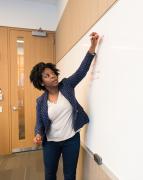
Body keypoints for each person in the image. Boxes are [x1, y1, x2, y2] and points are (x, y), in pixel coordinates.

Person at [29, 32, 99, 180]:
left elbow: (81, 71)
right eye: (47, 76)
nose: (53, 76)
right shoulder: (40, 102)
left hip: (71, 140)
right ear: (41, 83)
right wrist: (37, 134)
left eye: (52, 73)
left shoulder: (67, 85)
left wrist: (92, 47)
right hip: (51, 143)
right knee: (49, 175)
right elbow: (39, 124)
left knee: (69, 175)